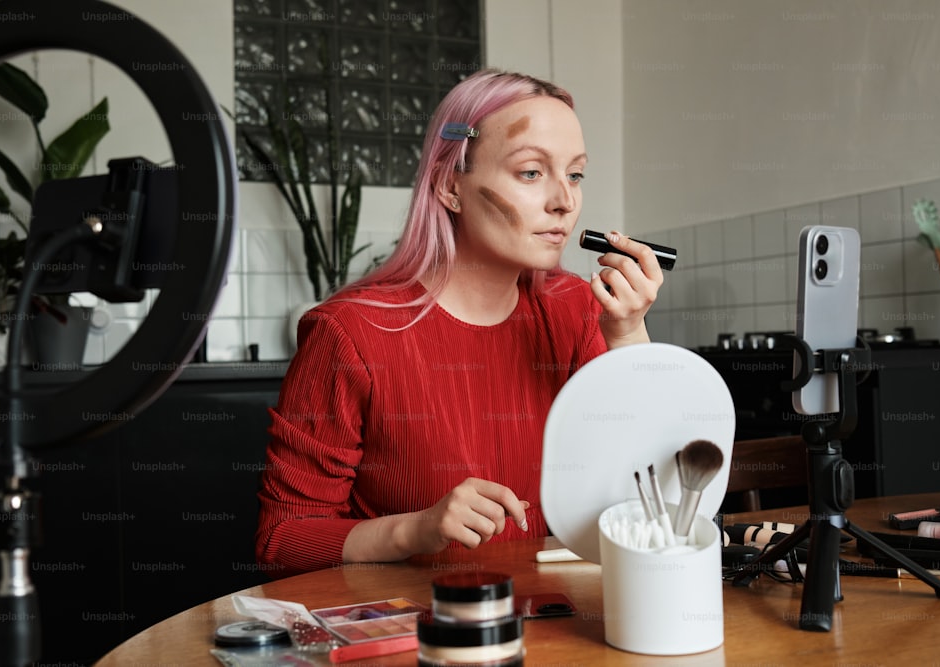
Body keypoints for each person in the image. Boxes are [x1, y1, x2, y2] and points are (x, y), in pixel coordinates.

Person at [256, 69, 663, 576]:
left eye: (575, 174)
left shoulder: (575, 309)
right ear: (451, 187)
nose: (565, 200)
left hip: (553, 622)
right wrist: (415, 529)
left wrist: (627, 335)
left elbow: (649, 497)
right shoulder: (349, 334)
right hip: (419, 630)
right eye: (531, 173)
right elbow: (281, 540)